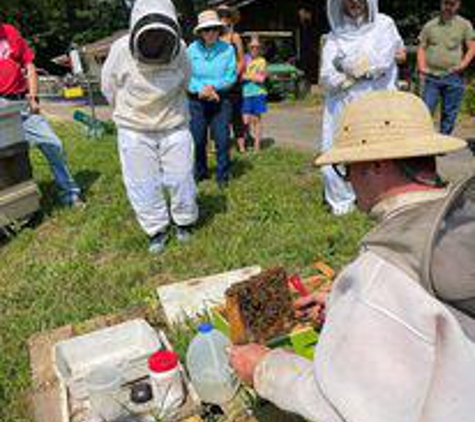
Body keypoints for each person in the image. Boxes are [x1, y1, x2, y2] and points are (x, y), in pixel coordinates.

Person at [230, 90, 475, 422]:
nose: (348, 182)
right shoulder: (462, 218)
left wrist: (265, 368)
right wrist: (341, 306)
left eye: (347, 168)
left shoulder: (379, 278)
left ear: (376, 164)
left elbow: (342, 408)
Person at [101, 0, 198, 254]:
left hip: (174, 124)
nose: (155, 41)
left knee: (181, 177)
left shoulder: (182, 50)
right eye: (150, 35)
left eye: (160, 36)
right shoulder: (120, 50)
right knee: (143, 182)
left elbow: (186, 80)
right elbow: (108, 88)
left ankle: (184, 222)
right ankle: (156, 229)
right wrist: (128, 113)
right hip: (134, 128)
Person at [319, 0, 404, 216]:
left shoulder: (384, 25)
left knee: (379, 151)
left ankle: (383, 197)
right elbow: (326, 76)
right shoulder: (334, 36)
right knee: (341, 151)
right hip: (343, 102)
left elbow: (380, 62)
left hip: (377, 100)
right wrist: (352, 71)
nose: (354, 2)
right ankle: (343, 202)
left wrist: (346, 65)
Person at [0, 20, 82, 207]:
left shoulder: (9, 31)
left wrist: (34, 97)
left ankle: (70, 194)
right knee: (9, 160)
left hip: (22, 104)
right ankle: (19, 208)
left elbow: (29, 64)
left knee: (53, 144)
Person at [187, 10, 237, 189]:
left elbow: (230, 76)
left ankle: (223, 175)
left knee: (222, 139)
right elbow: (186, 76)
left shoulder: (228, 49)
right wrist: (200, 90)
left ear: (219, 30)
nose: (210, 33)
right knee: (198, 139)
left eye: (213, 29)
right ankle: (200, 171)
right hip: (196, 101)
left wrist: (212, 88)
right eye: (206, 30)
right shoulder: (190, 50)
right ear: (200, 32)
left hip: (220, 100)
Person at [418, 0, 475, 135]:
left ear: (458, 5)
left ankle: (444, 141)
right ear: (441, 3)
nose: (448, 7)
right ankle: (424, 139)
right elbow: (421, 48)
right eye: (445, 3)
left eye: (452, 4)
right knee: (426, 109)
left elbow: (472, 47)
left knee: (449, 113)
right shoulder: (430, 25)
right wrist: (421, 66)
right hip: (432, 76)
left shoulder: (464, 24)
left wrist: (463, 64)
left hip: (454, 76)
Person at [217, 5, 247, 153]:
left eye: (225, 16)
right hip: (217, 82)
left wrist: (235, 76)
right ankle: (217, 145)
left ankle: (241, 146)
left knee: (236, 114)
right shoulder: (214, 37)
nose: (223, 19)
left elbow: (241, 60)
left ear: (229, 19)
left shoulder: (235, 37)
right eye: (220, 16)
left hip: (234, 82)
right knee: (217, 114)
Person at [242, 36, 268, 151]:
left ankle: (257, 146)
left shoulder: (262, 61)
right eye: (252, 47)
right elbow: (240, 76)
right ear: (248, 48)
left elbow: (262, 79)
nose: (254, 49)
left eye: (257, 47)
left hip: (258, 93)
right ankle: (247, 140)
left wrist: (248, 76)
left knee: (256, 120)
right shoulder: (244, 59)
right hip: (245, 93)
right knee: (245, 120)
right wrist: (254, 76)